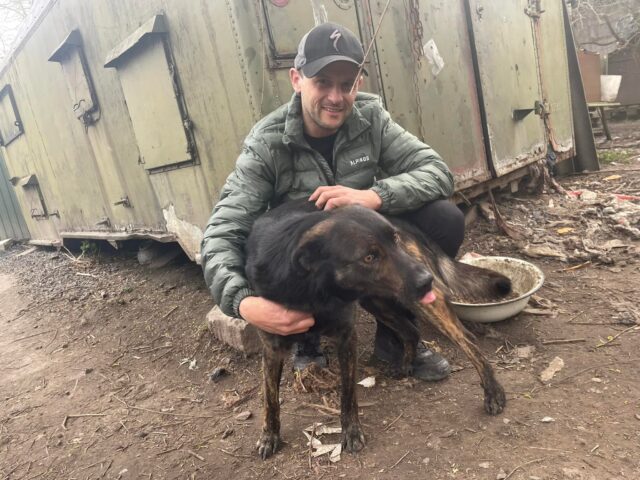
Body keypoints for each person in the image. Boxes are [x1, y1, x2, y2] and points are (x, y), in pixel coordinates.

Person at [201, 22, 465, 382]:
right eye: (322, 82)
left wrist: (373, 195)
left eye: (346, 84)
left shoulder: (371, 118)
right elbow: (221, 233)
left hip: (360, 249)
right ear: (296, 79)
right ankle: (306, 338)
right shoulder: (267, 143)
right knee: (292, 252)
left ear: (358, 84)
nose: (336, 97)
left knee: (445, 218)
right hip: (311, 264)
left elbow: (436, 171)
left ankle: (394, 335)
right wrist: (244, 303)